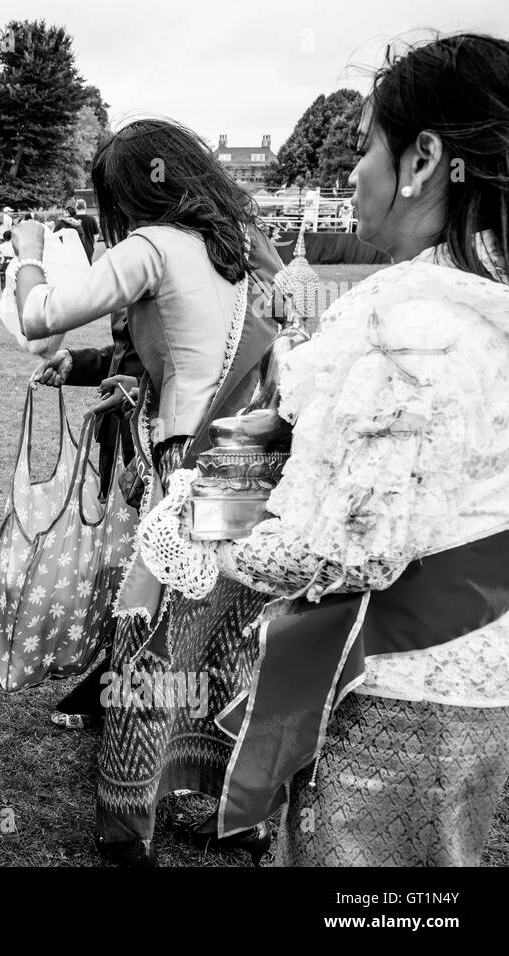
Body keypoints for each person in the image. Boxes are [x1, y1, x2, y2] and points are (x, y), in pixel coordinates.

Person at [196, 33, 509, 866]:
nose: (353, 175)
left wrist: (202, 535)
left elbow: (353, 544)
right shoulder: (478, 309)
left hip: (401, 687)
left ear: (424, 159)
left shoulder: (419, 327)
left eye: (367, 145)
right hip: (478, 667)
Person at [15, 118, 284, 866]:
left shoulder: (152, 246)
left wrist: (29, 255)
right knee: (231, 632)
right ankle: (243, 808)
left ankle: (127, 823)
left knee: (154, 636)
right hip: (246, 461)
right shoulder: (234, 247)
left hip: (186, 468)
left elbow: (39, 319)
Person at [31, 310, 143, 731]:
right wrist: (77, 362)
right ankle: (119, 672)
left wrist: (141, 396)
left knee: (148, 571)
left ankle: (129, 685)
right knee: (123, 564)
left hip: (158, 440)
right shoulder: (142, 255)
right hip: (120, 438)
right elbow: (127, 354)